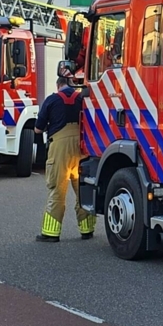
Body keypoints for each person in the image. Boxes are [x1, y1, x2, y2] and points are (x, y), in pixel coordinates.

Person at [35, 76, 95, 242]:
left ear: (58, 85)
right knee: (83, 190)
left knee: (58, 190)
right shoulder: (82, 99)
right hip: (81, 146)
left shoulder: (52, 100)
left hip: (60, 148)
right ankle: (87, 230)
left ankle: (51, 233)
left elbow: (38, 129)